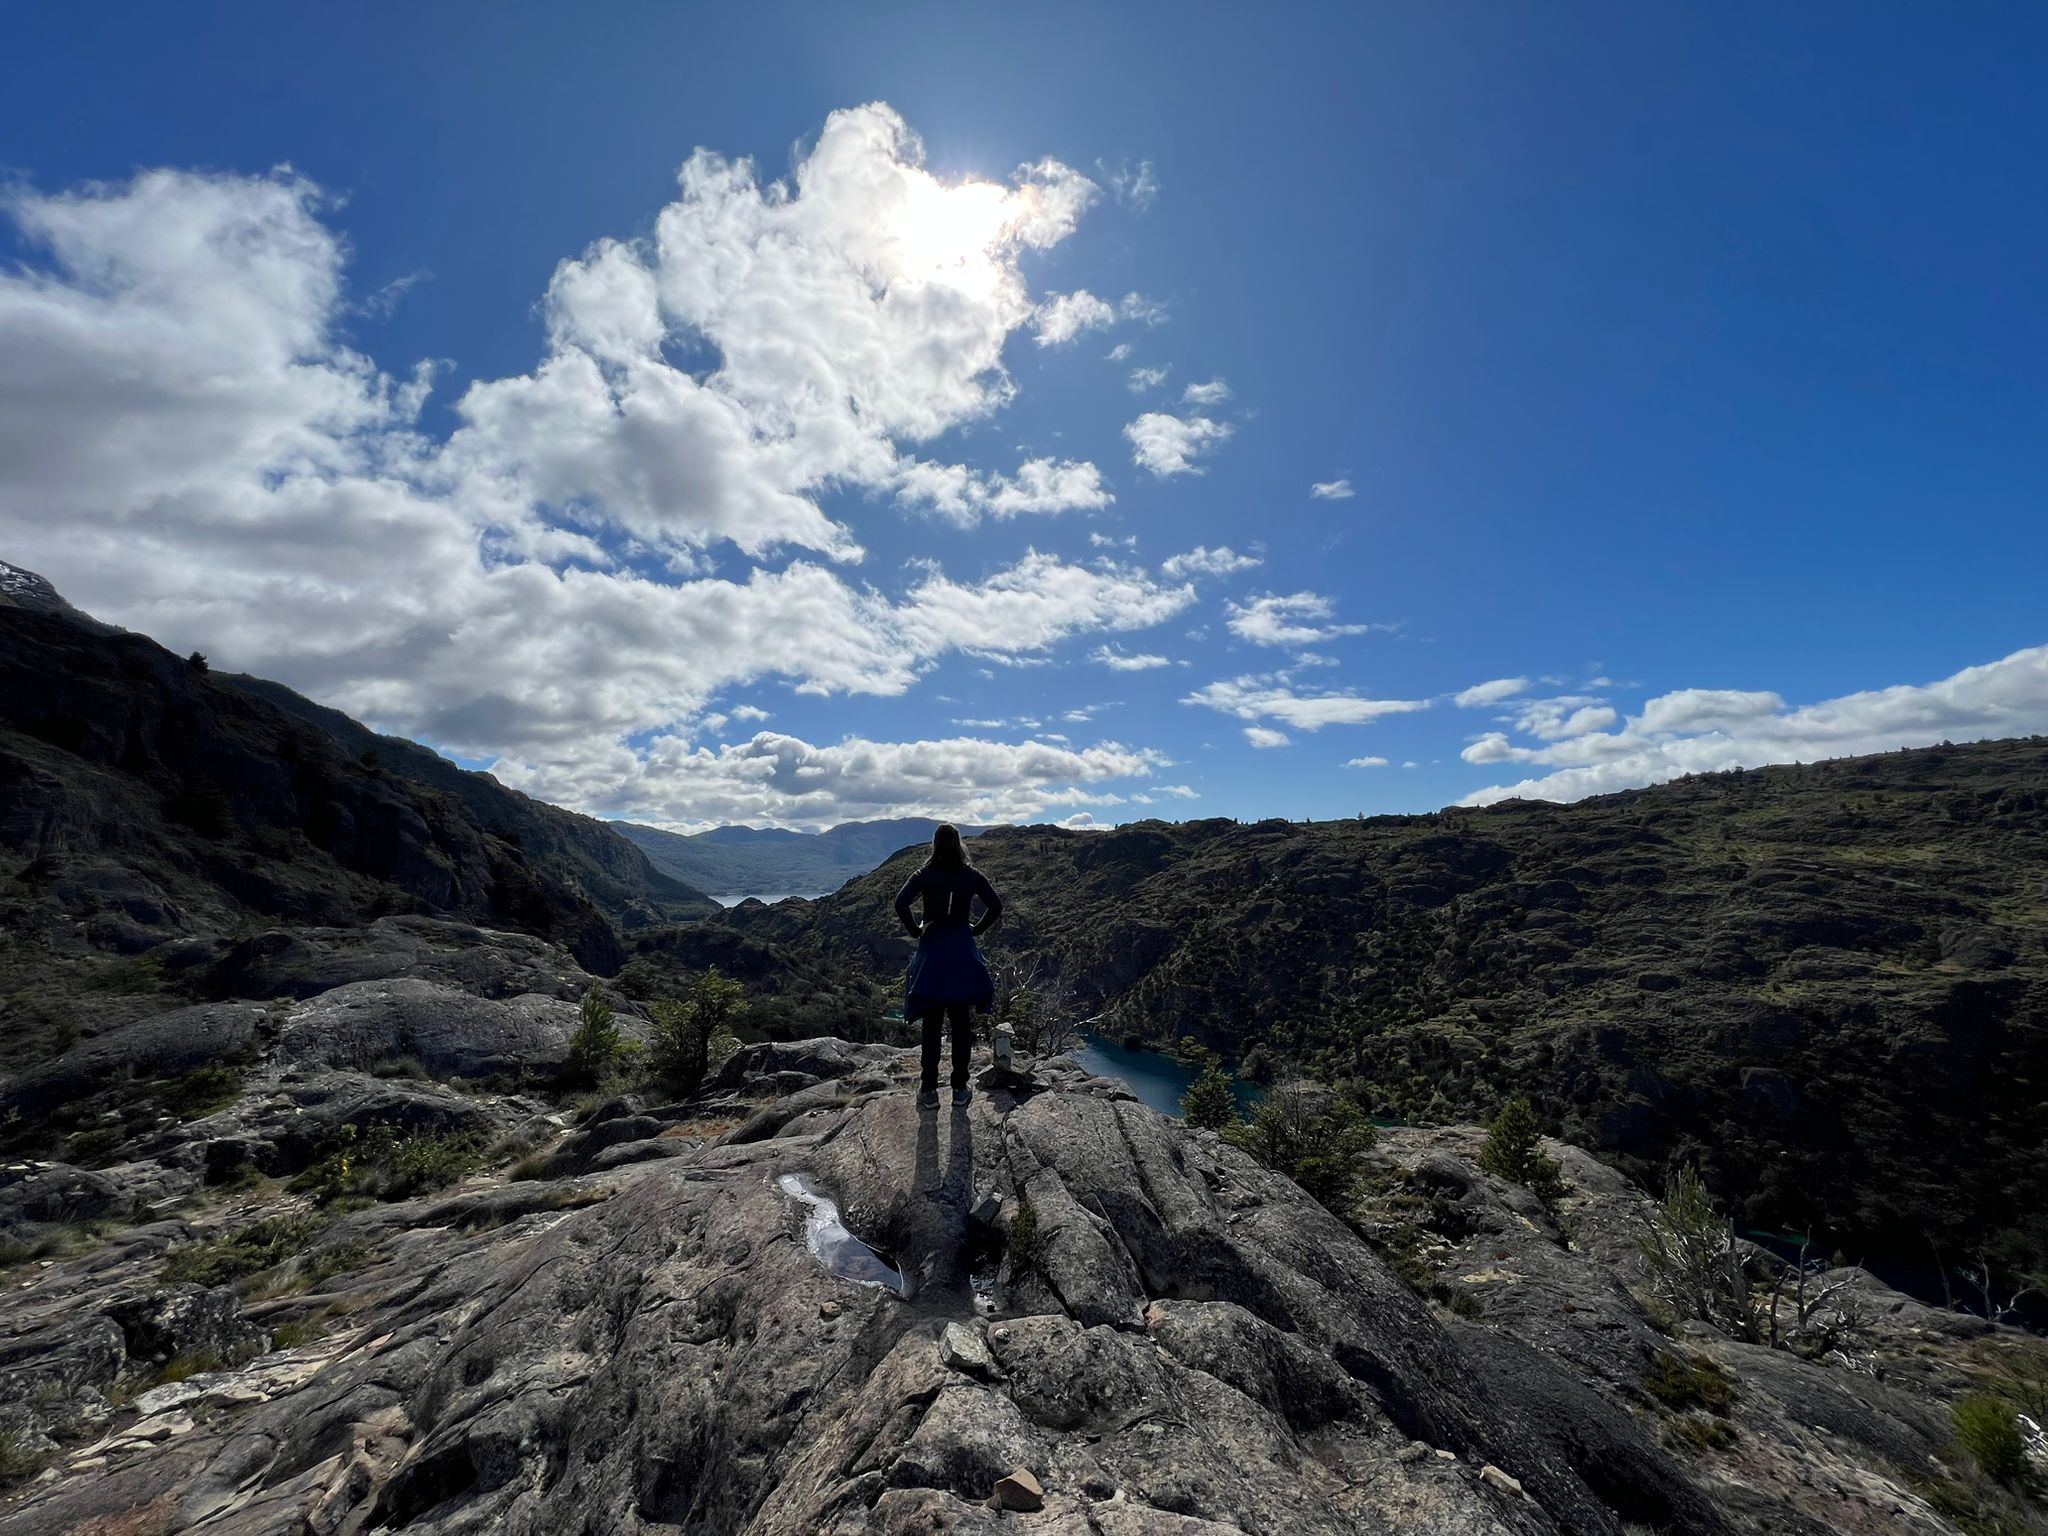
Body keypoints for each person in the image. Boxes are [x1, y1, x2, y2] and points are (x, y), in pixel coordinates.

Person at [893, 824, 1002, 1108]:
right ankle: (959, 1089)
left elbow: (901, 903)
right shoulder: (971, 875)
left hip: (933, 954)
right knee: (961, 1024)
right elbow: (996, 906)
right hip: (962, 954)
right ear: (958, 844)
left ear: (935, 845)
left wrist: (916, 931)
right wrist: (975, 930)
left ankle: (928, 1090)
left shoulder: (924, 874)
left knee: (931, 1025)